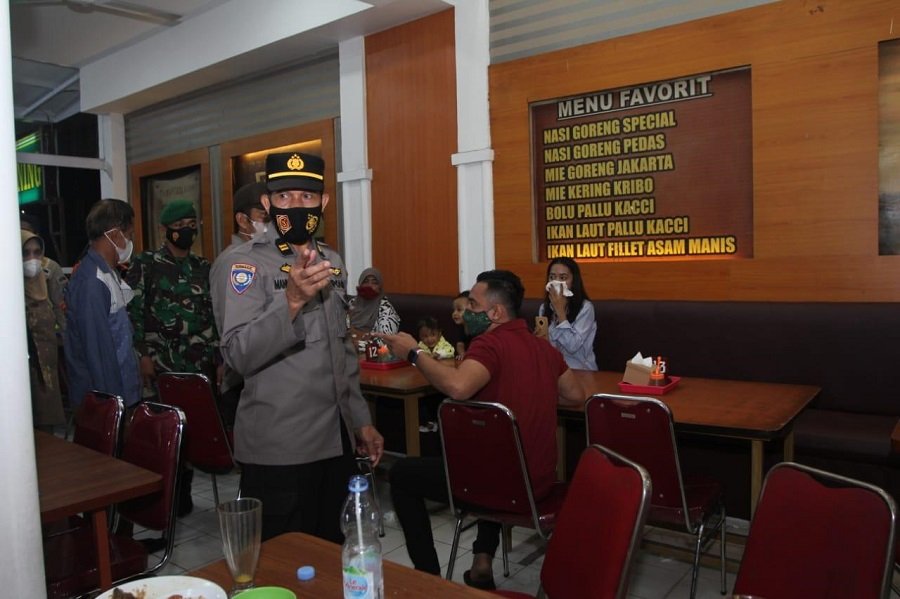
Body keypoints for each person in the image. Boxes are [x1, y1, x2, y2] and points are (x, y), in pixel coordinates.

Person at [382, 270, 585, 589]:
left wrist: (413, 352)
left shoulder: (489, 344)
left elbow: (457, 386)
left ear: (496, 312)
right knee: (491, 455)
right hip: (538, 483)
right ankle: (482, 560)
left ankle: (429, 581)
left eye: (473, 305)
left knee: (402, 475)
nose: (467, 312)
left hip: (498, 487)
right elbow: (575, 395)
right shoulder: (544, 349)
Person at [219, 151, 384, 543]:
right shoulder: (242, 265)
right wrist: (290, 302)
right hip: (281, 446)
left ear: (322, 202)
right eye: (284, 196)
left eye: (307, 197)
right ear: (267, 203)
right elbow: (237, 354)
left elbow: (342, 351)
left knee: (333, 553)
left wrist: (360, 419)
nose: (295, 205)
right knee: (286, 562)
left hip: (336, 440)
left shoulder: (332, 261)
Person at [125, 198, 219, 515]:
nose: (186, 231)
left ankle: (183, 494)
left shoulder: (203, 267)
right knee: (163, 430)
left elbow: (213, 316)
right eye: (179, 227)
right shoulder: (146, 264)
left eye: (191, 225)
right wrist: (143, 355)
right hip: (161, 364)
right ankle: (162, 496)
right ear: (165, 229)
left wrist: (218, 357)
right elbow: (134, 313)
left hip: (197, 364)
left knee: (192, 429)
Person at [64, 199, 141, 410]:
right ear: (115, 235)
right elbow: (97, 355)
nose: (131, 241)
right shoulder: (92, 281)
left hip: (121, 396)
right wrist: (112, 409)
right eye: (129, 235)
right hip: (104, 404)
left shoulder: (109, 273)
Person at [209, 181, 270, 429]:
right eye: (265, 216)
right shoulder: (236, 263)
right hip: (245, 382)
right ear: (243, 220)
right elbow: (237, 334)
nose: (273, 224)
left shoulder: (270, 257)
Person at [22, 230, 66, 430]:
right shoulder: (9, 289)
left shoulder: (46, 278)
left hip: (48, 367)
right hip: (23, 373)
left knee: (47, 421)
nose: (32, 259)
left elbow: (59, 311)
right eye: (25, 253)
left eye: (37, 252)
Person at [537, 257, 598, 370]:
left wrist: (560, 312)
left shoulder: (585, 308)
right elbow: (544, 348)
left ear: (573, 281)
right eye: (552, 277)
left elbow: (572, 346)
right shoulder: (544, 308)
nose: (556, 282)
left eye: (563, 278)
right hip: (553, 368)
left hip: (580, 369)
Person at [348, 267, 400, 337]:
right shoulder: (352, 303)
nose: (369, 285)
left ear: (379, 288)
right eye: (365, 282)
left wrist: (356, 335)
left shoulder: (386, 309)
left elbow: (386, 340)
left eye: (374, 283)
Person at [450, 290, 471, 360]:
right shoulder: (460, 327)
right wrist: (462, 354)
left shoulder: (478, 329)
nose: (454, 313)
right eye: (453, 310)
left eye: (459, 310)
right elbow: (460, 344)